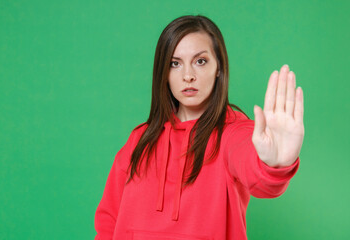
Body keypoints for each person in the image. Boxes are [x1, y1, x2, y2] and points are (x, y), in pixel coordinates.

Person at [94, 15, 304, 240]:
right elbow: (109, 221)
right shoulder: (140, 138)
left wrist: (273, 165)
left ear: (218, 68)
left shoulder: (233, 132)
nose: (188, 76)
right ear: (163, 73)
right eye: (175, 63)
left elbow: (256, 173)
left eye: (200, 61)